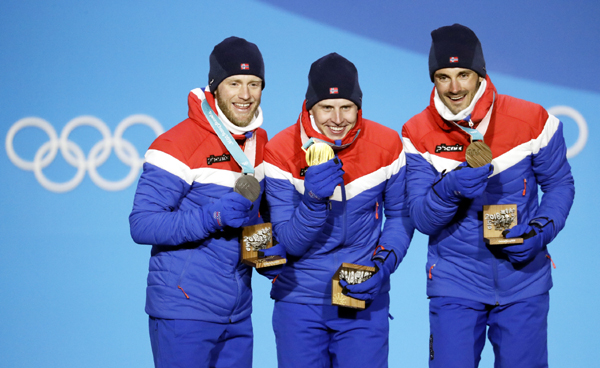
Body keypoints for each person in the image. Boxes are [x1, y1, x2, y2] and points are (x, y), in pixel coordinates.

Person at [401, 24, 575, 368]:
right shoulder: (416, 132)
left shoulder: (532, 120)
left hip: (523, 278)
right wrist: (450, 188)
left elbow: (560, 185)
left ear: (480, 73)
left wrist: (539, 231)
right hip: (455, 281)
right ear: (433, 79)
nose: (454, 87)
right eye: (443, 76)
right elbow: (421, 218)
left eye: (463, 74)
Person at [263, 53, 414, 368]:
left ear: (359, 106)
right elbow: (286, 241)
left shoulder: (387, 145)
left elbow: (400, 217)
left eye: (347, 107)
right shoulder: (279, 151)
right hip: (299, 300)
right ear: (310, 106)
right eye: (326, 108)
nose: (337, 118)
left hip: (361, 295)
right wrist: (314, 201)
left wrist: (381, 267)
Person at [129, 36, 268, 368]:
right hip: (184, 311)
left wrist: (273, 265)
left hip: (238, 313)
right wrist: (214, 216)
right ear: (215, 86)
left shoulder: (260, 143)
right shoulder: (177, 143)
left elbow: (255, 222)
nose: (245, 95)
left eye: (254, 84)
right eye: (234, 83)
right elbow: (142, 223)